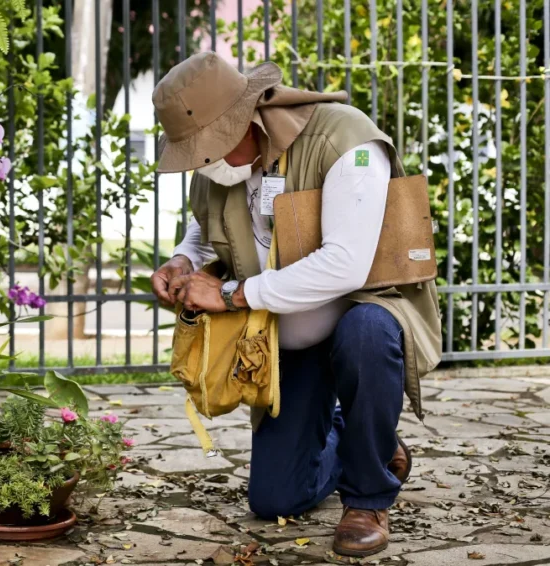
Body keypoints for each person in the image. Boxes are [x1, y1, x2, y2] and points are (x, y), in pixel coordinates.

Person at [150, 52, 442, 557]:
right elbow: (204, 223)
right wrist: (183, 259)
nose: (201, 162)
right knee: (275, 498)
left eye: (205, 149)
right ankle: (365, 437)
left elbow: (345, 265)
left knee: (367, 334)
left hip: (361, 313)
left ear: (244, 121)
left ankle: (368, 498)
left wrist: (229, 294)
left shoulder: (344, 139)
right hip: (288, 335)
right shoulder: (219, 166)